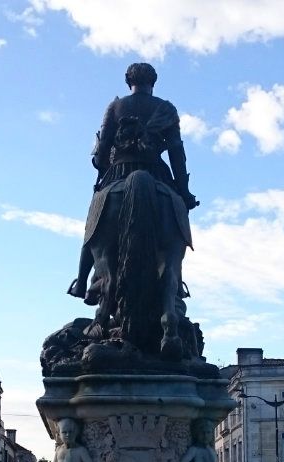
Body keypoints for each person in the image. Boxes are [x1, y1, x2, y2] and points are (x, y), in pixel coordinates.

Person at [68, 62, 198, 305]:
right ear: (153, 82)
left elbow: (102, 151)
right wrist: (184, 191)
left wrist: (101, 159)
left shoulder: (116, 106)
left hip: (118, 173)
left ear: (129, 81)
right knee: (177, 214)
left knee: (92, 225)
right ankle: (174, 280)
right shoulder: (167, 109)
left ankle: (82, 281)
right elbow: (177, 153)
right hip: (157, 174)